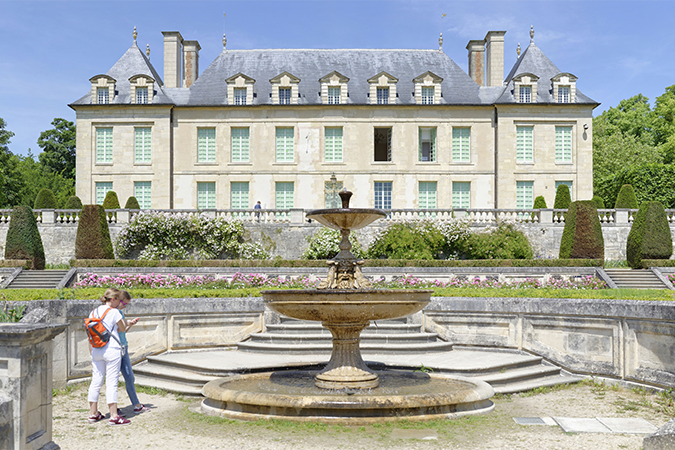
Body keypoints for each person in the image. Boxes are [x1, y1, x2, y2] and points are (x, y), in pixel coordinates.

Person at [87, 288, 131, 425]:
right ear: (113, 299)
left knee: (96, 381)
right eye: (118, 300)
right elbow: (122, 329)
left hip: (96, 349)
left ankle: (93, 413)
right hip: (111, 349)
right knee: (112, 382)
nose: (119, 303)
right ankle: (113, 415)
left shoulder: (93, 311)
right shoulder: (114, 312)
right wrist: (127, 323)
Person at [117, 290, 150, 414]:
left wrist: (129, 324)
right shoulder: (114, 313)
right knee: (115, 379)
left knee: (129, 377)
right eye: (124, 304)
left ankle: (136, 404)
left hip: (123, 347)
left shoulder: (119, 313)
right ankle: (114, 408)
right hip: (117, 349)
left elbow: (122, 333)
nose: (125, 306)